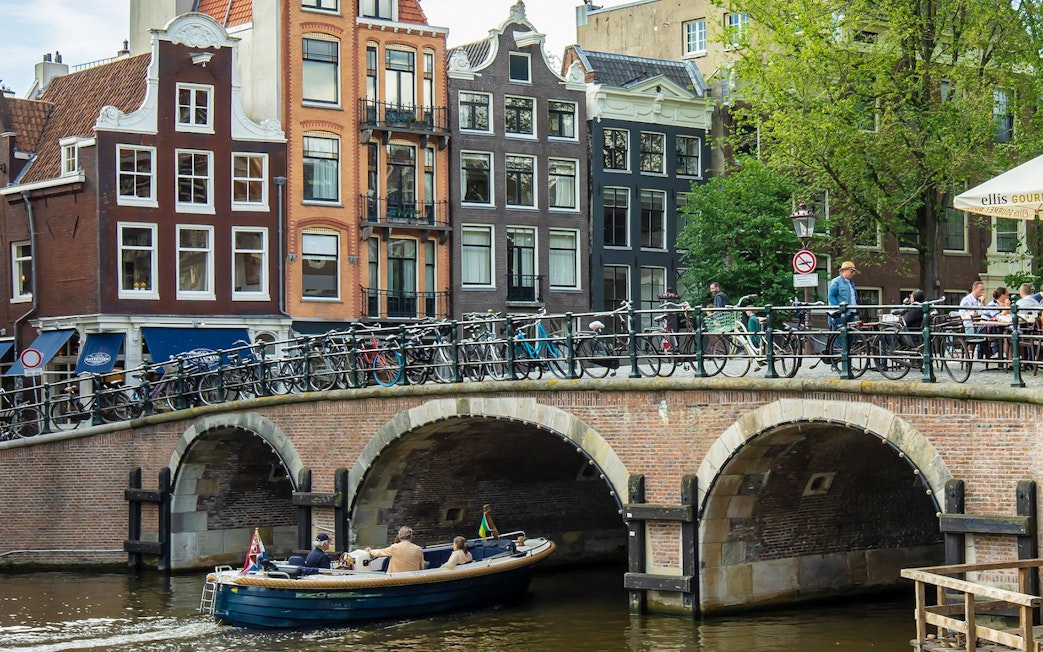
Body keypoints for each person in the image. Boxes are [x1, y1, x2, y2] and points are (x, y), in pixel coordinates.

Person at [827, 261, 859, 328]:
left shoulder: (851, 283)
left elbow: (854, 297)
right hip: (840, 314)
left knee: (851, 335)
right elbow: (831, 296)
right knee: (839, 336)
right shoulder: (836, 281)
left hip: (851, 313)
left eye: (854, 271)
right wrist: (838, 308)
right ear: (844, 270)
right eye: (851, 271)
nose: (853, 273)